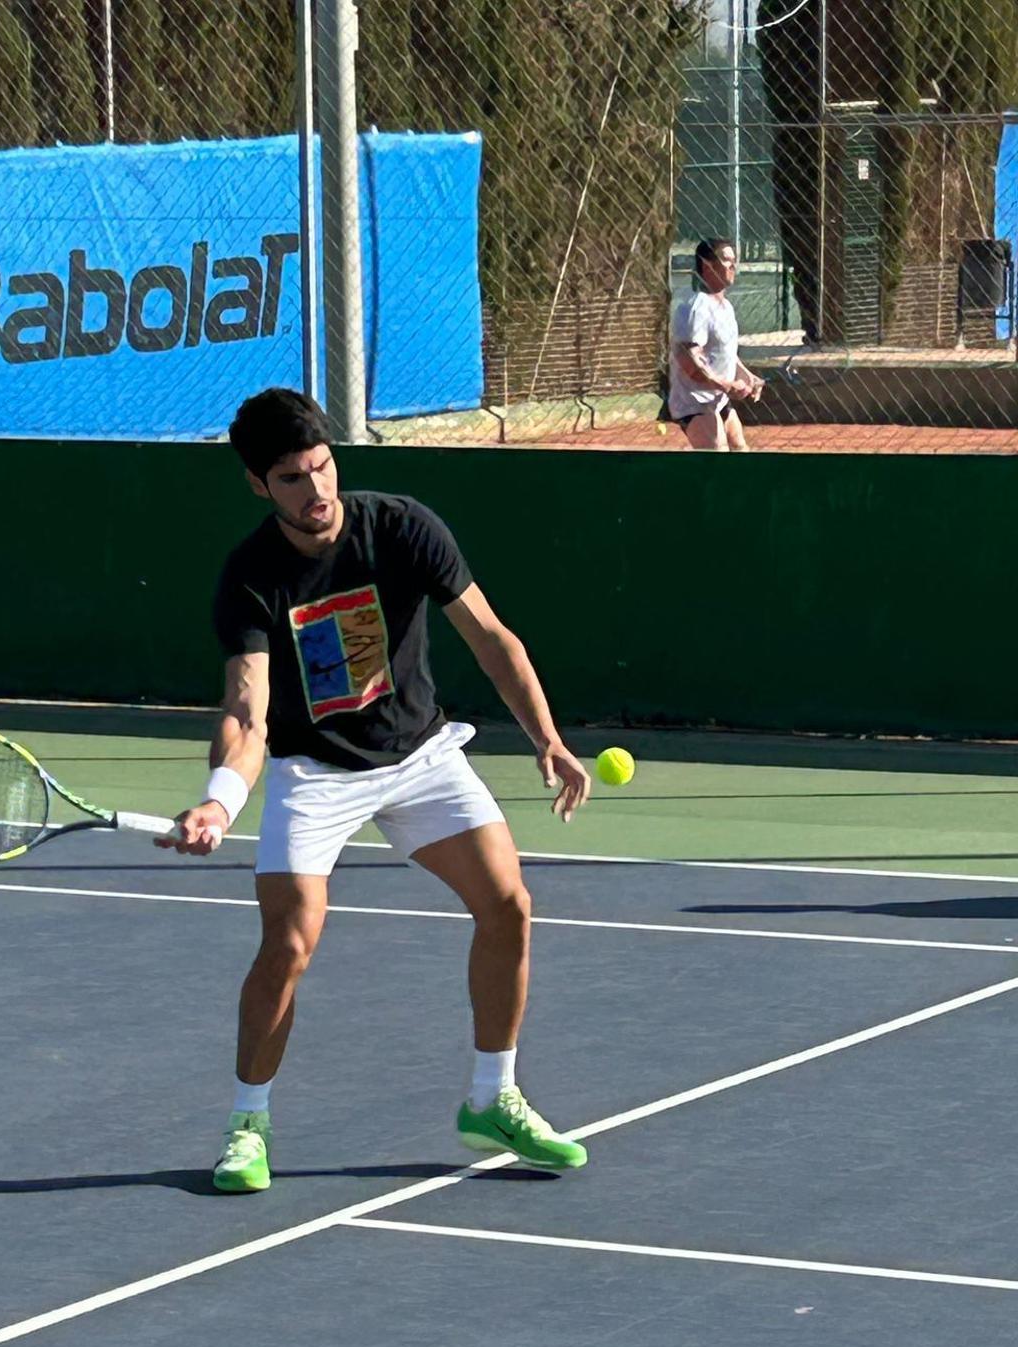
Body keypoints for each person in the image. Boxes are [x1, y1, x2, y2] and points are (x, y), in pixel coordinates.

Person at [158, 388, 592, 1194]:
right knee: (289, 944)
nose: (314, 490)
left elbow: (492, 637)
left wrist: (549, 740)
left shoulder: (401, 526)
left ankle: (492, 1098)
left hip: (420, 755)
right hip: (314, 773)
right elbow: (247, 709)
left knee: (509, 903)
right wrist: (220, 798)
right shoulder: (251, 577)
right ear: (258, 484)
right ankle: (246, 1124)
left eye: (321, 466)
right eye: (291, 478)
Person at [668, 238, 763, 451]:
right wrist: (726, 385)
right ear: (707, 264)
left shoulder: (726, 307)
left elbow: (726, 353)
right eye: (726, 260)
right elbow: (689, 362)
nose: (733, 266)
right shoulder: (695, 309)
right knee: (718, 457)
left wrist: (747, 376)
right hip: (694, 403)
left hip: (718, 399)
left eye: (734, 260)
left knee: (740, 450)